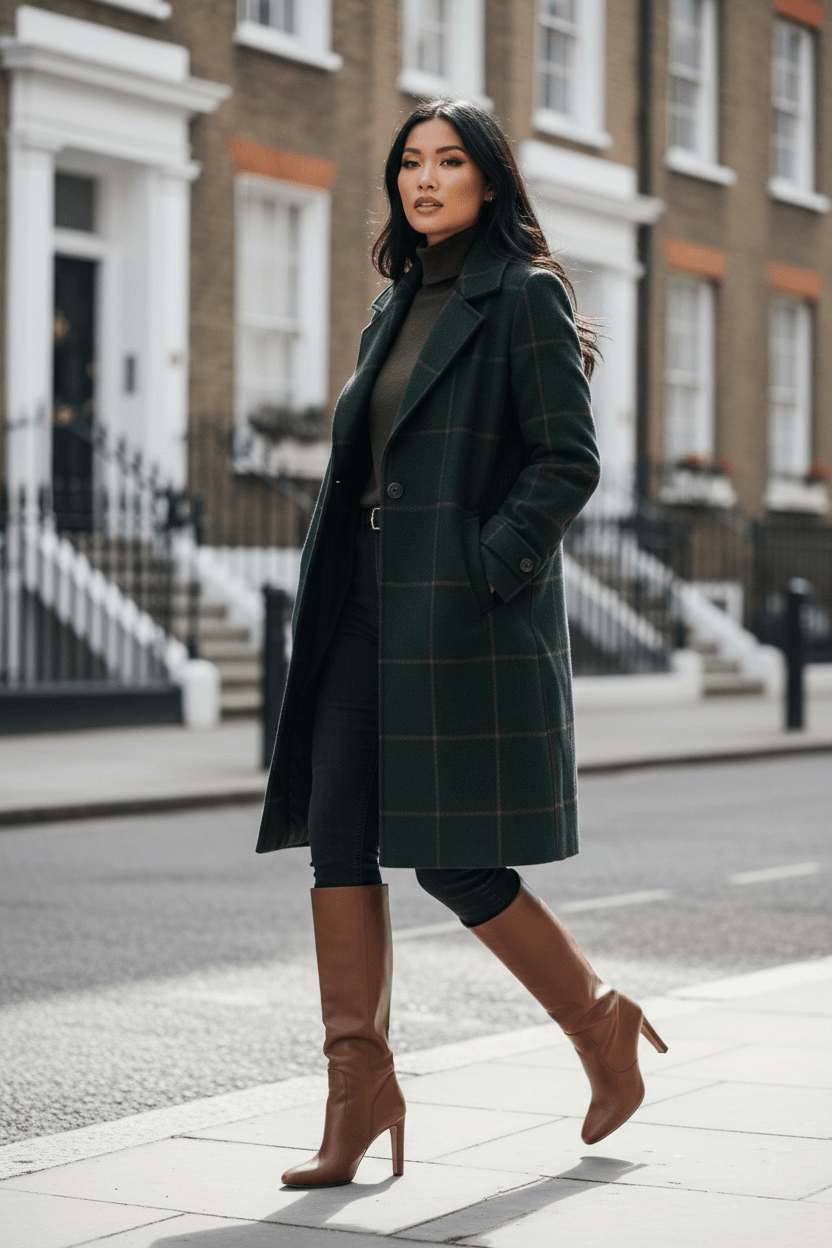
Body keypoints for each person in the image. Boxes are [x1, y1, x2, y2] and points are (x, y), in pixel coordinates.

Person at [256, 98, 667, 1189]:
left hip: (456, 608)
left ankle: (599, 1024)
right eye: (410, 162)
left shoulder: (524, 295)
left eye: (448, 161)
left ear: (489, 180)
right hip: (358, 602)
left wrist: (489, 565)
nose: (425, 179)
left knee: (450, 858)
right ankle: (358, 1091)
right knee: (336, 833)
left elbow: (567, 460)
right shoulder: (391, 306)